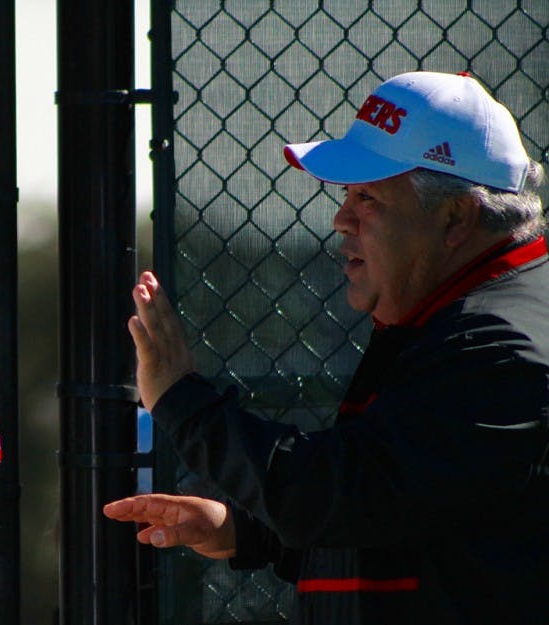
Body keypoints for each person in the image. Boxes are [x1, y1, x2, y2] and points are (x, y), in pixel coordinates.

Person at [104, 71, 549, 624]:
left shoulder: (500, 344)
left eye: (368, 197)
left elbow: (348, 495)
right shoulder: (457, 315)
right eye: (346, 195)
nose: (341, 219)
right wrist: (252, 533)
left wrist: (182, 403)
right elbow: (404, 511)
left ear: (456, 217)